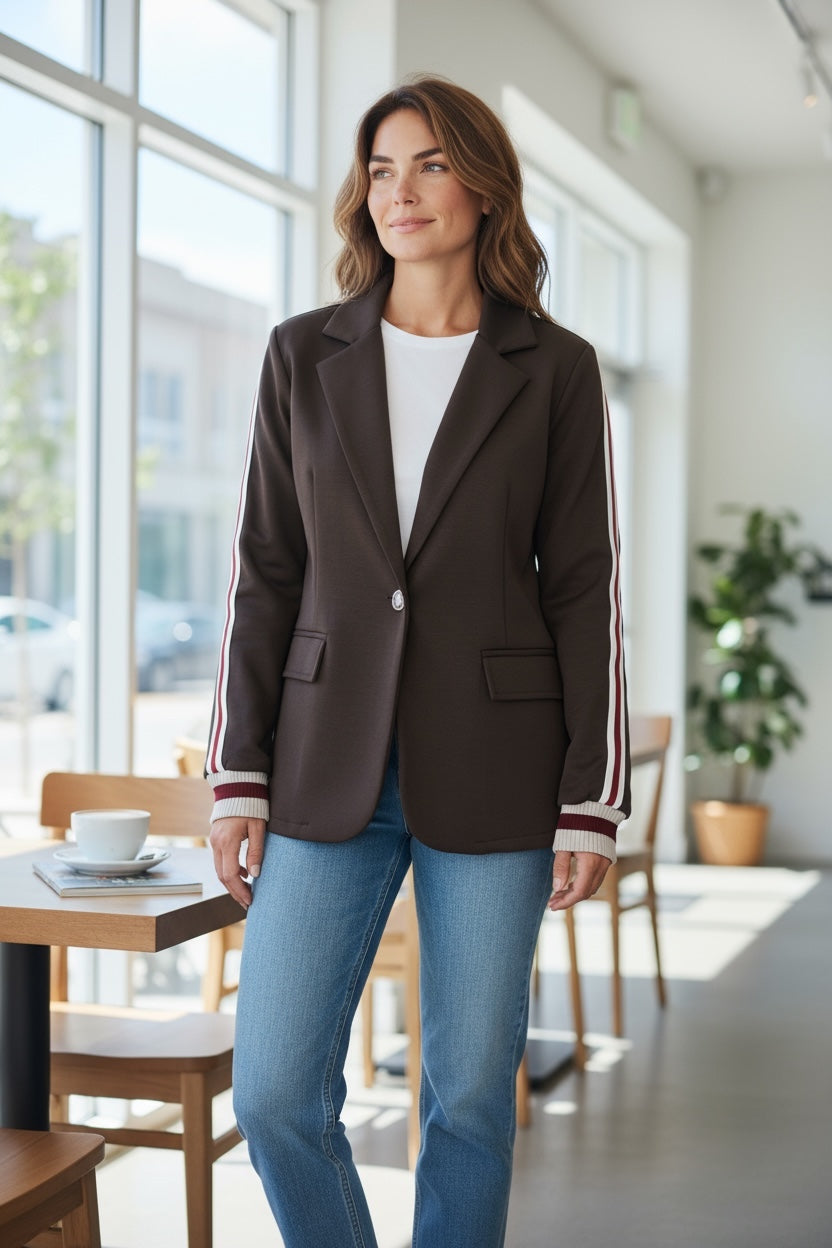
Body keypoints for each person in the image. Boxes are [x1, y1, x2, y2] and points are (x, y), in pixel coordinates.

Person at [207, 74, 629, 1248]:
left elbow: (587, 585)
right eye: (383, 169)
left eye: (431, 164)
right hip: (320, 764)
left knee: (465, 1105)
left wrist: (589, 801)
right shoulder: (304, 355)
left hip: (497, 768)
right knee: (278, 1093)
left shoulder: (553, 367)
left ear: (483, 187)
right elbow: (262, 570)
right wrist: (235, 772)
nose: (402, 192)